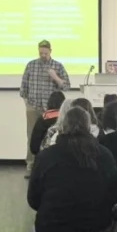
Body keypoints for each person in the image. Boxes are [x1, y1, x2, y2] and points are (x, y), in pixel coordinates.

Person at [18, 107, 117, 232]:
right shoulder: (105, 155)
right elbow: (114, 194)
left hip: (53, 231)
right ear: (89, 127)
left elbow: (33, 200)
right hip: (96, 230)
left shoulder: (47, 156)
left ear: (62, 126)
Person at [20, 40, 70, 175]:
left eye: (45, 53)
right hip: (33, 106)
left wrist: (56, 77)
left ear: (50, 51)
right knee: (32, 135)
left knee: (51, 134)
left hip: (52, 109)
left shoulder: (58, 66)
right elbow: (23, 86)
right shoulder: (31, 65)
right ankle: (31, 166)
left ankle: (49, 164)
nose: (43, 55)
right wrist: (27, 103)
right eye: (41, 53)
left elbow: (66, 86)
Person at [29, 91, 65, 157]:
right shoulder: (67, 119)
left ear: (48, 103)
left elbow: (34, 147)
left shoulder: (42, 119)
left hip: (45, 157)